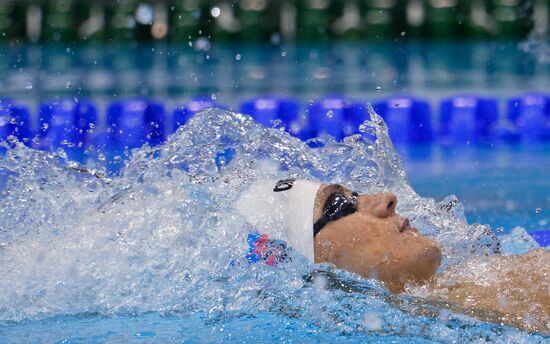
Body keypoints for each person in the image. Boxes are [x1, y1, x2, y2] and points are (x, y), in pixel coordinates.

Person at [236, 179, 549, 334]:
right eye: (339, 205)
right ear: (313, 260)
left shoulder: (472, 289)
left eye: (354, 195)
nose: (386, 199)